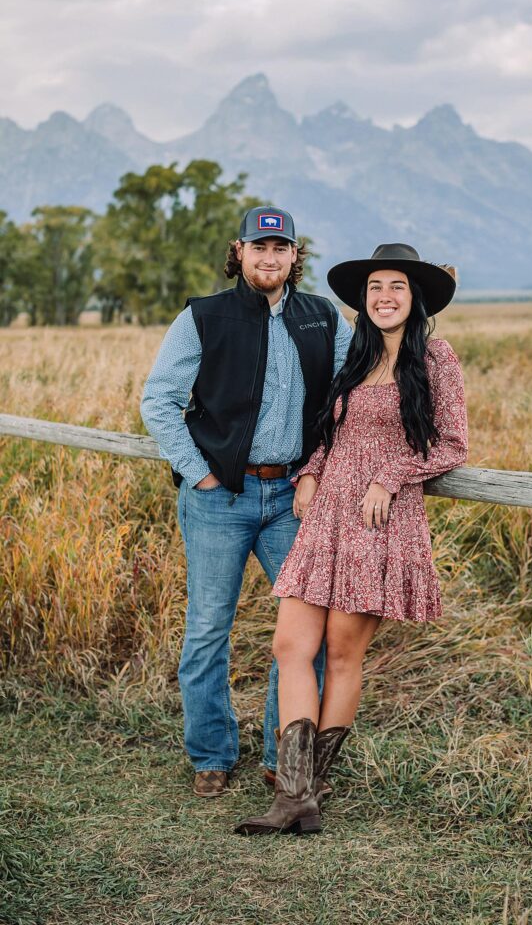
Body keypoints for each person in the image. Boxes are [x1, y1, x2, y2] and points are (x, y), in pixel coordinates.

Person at [235, 243, 468, 835]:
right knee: (290, 647)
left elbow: (452, 446)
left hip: (376, 525)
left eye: (396, 287)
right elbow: (332, 434)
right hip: (325, 518)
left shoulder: (436, 358)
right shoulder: (357, 355)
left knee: (342, 655)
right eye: (375, 288)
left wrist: (389, 479)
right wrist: (311, 469)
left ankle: (305, 794)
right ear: (364, 301)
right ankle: (294, 795)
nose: (384, 297)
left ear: (415, 299)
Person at [140, 206, 353, 797]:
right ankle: (210, 753)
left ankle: (281, 754)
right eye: (258, 247)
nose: (269, 257)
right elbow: (158, 401)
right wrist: (200, 475)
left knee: (305, 635)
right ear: (239, 251)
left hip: (293, 496)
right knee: (209, 628)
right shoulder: (203, 317)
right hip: (219, 499)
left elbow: (350, 399)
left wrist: (317, 472)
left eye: (280, 248)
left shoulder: (323, 319)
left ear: (294, 256)